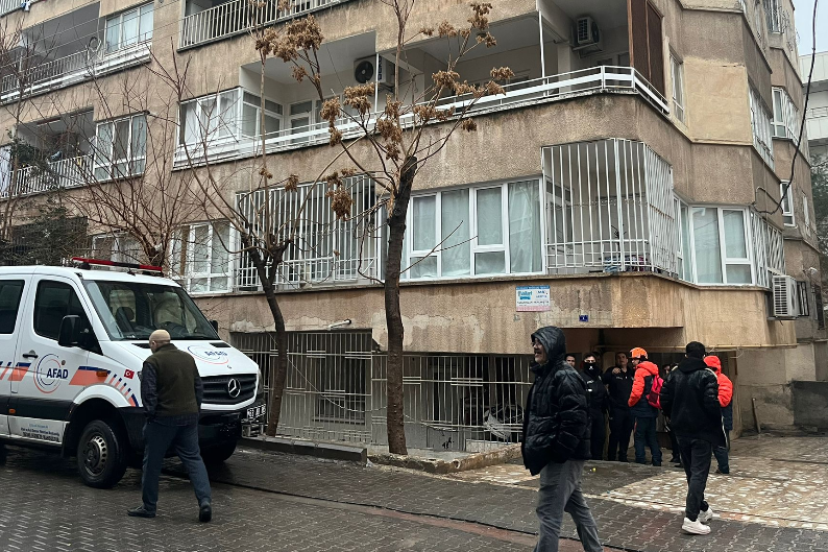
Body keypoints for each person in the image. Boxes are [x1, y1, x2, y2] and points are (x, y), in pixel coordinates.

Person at [522, 326, 602, 552]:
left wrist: (558, 452)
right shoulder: (547, 374)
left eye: (540, 342)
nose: (536, 347)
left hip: (563, 456)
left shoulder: (564, 375)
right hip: (560, 454)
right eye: (534, 342)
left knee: (548, 512)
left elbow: (575, 419)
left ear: (553, 345)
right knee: (577, 506)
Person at [128, 330, 213, 522]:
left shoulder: (152, 362)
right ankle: (205, 501)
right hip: (189, 417)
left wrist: (151, 416)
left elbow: (149, 393)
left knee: (152, 463)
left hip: (162, 419)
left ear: (154, 344)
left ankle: (149, 507)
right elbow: (198, 387)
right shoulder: (187, 359)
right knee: (193, 459)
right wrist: (195, 410)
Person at [660, 341, 725, 536]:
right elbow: (711, 403)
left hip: (681, 431)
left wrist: (673, 417)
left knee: (691, 472)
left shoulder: (673, 374)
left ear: (686, 355)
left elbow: (664, 400)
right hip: (701, 431)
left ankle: (702, 508)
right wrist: (715, 424)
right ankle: (691, 517)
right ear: (703, 356)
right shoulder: (707, 375)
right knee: (698, 474)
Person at [627, 348, 663, 466]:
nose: (632, 361)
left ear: (640, 359)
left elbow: (636, 393)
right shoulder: (653, 370)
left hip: (641, 410)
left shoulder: (640, 371)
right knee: (652, 435)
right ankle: (657, 460)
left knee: (639, 436)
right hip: (652, 407)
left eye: (634, 359)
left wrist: (630, 403)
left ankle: (640, 461)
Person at [603, 352, 635, 462]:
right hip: (616, 409)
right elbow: (603, 380)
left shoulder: (631, 373)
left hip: (629, 409)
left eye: (623, 357)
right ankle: (611, 457)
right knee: (615, 434)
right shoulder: (612, 371)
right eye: (618, 357)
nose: (621, 359)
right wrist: (611, 373)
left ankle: (623, 456)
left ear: (627, 360)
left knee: (626, 434)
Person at [704, 355, 733, 475]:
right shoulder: (708, 379)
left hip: (721, 418)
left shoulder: (723, 380)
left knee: (719, 446)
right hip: (710, 418)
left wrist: (706, 401)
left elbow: (724, 400)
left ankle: (723, 468)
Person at [582, 352, 609, 461]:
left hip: (599, 411)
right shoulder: (581, 376)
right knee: (587, 436)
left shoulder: (599, 376)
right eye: (588, 361)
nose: (591, 364)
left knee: (600, 436)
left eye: (593, 361)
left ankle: (598, 458)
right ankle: (586, 458)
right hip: (587, 411)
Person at [664, 364, 683, 466]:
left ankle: (678, 456)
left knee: (677, 437)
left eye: (668, 370)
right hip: (677, 413)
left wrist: (667, 413)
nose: (667, 373)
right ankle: (678, 456)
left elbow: (666, 399)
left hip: (675, 413)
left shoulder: (671, 381)